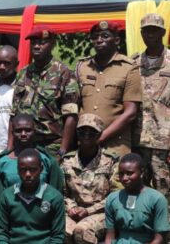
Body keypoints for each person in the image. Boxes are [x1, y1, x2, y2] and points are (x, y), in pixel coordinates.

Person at [11, 25, 79, 158]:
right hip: (24, 144)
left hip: (52, 145)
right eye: (34, 43)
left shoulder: (64, 73)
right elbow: (13, 114)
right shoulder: (23, 73)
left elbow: (71, 116)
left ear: (53, 44)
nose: (37, 46)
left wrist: (63, 151)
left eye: (42, 43)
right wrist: (10, 148)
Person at [77, 20, 141, 157]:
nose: (99, 40)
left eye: (105, 36)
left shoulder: (129, 68)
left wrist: (100, 138)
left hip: (115, 145)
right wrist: (86, 138)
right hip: (85, 143)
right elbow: (75, 105)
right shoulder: (82, 67)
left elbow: (130, 113)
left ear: (117, 40)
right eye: (95, 37)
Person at [61, 114, 120, 244]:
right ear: (77, 134)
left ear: (99, 135)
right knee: (63, 229)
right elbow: (61, 192)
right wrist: (71, 208)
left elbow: (116, 196)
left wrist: (88, 211)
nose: (86, 136)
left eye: (92, 133)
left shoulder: (111, 161)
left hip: (102, 213)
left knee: (82, 231)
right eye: (82, 132)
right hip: (73, 212)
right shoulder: (67, 161)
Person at [132, 13, 170, 201]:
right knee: (139, 188)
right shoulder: (133, 63)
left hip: (165, 140)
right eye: (146, 31)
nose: (150, 35)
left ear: (163, 32)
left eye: (155, 31)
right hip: (138, 138)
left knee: (165, 187)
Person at [0, 148, 65, 244]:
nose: (28, 174)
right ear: (17, 170)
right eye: (23, 170)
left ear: (41, 169)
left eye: (33, 169)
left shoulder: (54, 197)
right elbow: (2, 232)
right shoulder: (7, 196)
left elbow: (57, 236)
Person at [104, 153, 170, 244]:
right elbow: (110, 236)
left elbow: (160, 238)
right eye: (121, 174)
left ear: (141, 173)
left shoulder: (157, 199)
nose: (124, 178)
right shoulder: (113, 198)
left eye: (129, 173)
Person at [0, 114, 63, 191]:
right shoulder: (1, 162)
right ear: (12, 133)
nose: (23, 134)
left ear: (34, 132)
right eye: (18, 131)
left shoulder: (47, 160)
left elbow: (55, 193)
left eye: (28, 130)